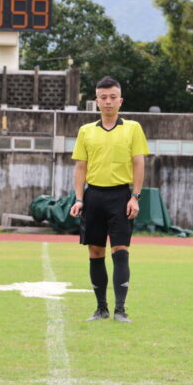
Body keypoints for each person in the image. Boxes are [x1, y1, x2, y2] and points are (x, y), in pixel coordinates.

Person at [69, 77, 150, 323]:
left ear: (120, 100)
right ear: (96, 101)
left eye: (113, 97)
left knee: (120, 250)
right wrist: (79, 199)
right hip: (94, 197)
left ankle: (121, 309)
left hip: (121, 196)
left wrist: (135, 196)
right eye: (103, 97)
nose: (108, 101)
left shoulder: (133, 128)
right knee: (95, 251)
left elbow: (138, 162)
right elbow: (80, 168)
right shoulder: (86, 131)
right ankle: (101, 308)